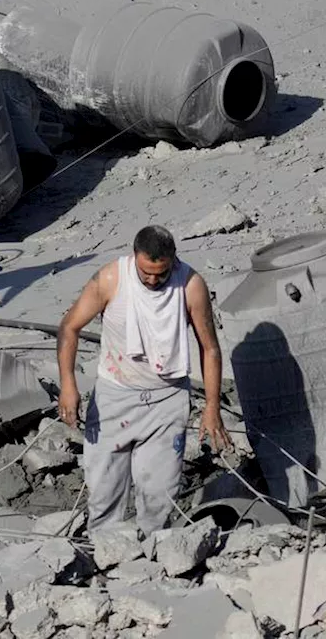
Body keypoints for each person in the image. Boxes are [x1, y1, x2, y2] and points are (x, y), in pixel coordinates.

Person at [56, 225, 231, 536]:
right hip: (115, 397)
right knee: (104, 494)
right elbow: (69, 327)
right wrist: (68, 385)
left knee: (159, 496)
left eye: (160, 274)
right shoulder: (110, 279)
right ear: (133, 257)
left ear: (173, 261)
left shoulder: (190, 285)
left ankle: (153, 559)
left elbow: (210, 348)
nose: (152, 280)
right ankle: (102, 553)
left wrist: (212, 406)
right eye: (145, 273)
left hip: (167, 399)